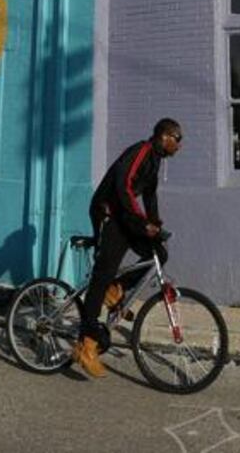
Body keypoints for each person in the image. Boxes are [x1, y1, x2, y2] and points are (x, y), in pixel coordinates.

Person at [74, 118, 183, 379]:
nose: (180, 146)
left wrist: (155, 224)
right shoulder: (141, 151)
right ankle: (86, 344)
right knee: (102, 275)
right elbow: (123, 185)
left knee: (159, 253)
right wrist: (141, 221)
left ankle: (117, 287)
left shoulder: (155, 160)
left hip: (125, 216)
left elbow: (150, 195)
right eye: (178, 139)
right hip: (108, 211)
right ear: (166, 136)